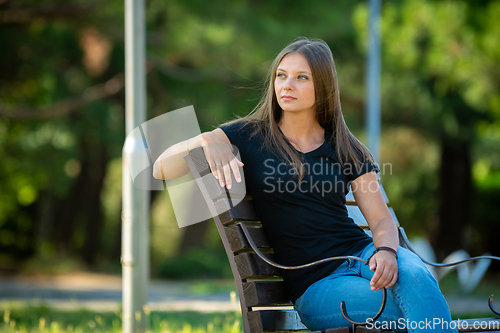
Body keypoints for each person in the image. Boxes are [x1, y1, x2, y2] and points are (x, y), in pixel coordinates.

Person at [153, 38, 458, 333]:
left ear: (323, 88)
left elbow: (380, 220)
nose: (287, 85)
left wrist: (388, 253)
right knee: (414, 308)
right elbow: (161, 167)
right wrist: (206, 139)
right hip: (317, 286)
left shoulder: (346, 147)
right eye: (281, 75)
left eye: (302, 77)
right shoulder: (248, 135)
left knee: (417, 277)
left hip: (363, 253)